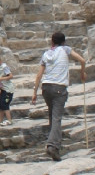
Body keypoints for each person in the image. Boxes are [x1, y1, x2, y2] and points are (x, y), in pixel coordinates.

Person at [30, 31, 87, 161]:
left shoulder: (46, 54)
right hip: (59, 88)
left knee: (52, 115)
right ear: (63, 42)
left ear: (52, 42)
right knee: (56, 117)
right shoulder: (65, 49)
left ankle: (55, 145)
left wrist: (34, 92)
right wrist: (82, 73)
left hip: (46, 87)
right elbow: (82, 60)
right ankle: (52, 145)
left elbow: (39, 75)